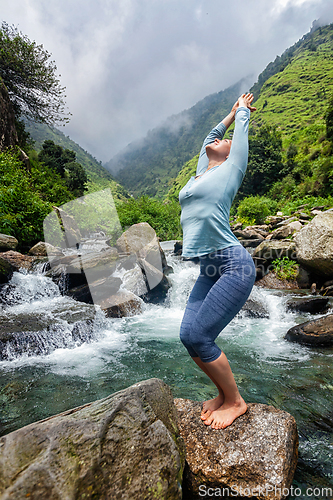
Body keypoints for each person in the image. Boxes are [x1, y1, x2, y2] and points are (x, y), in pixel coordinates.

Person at [178, 93, 256, 430]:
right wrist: (227, 114)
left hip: (233, 264)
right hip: (209, 267)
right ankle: (222, 394)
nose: (221, 141)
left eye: (226, 142)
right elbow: (210, 138)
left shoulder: (230, 168)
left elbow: (237, 138)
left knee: (202, 336)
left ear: (229, 155)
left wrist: (240, 113)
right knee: (187, 335)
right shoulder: (202, 172)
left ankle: (235, 401)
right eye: (220, 140)